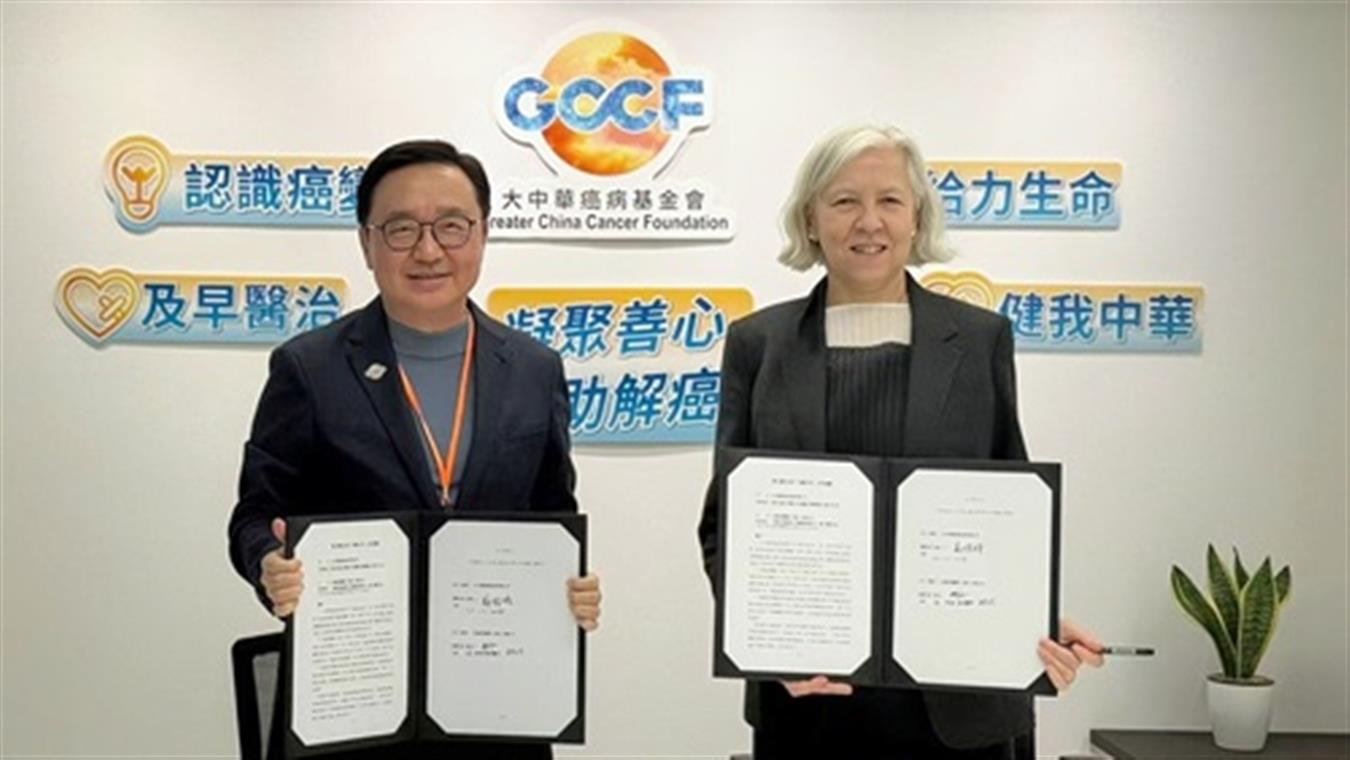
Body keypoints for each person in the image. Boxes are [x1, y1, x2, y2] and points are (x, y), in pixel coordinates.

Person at [697, 124, 1103, 759]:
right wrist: (764, 646)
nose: (869, 222)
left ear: (917, 218)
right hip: (810, 698)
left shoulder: (980, 341)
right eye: (844, 201)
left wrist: (1031, 615)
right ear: (810, 220)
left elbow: (1011, 511)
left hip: (959, 701)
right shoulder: (759, 344)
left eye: (889, 200)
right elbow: (723, 526)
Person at [228, 139, 600, 760]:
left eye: (451, 226)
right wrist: (269, 560)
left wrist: (570, 587)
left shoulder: (534, 369)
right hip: (351, 709)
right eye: (401, 229)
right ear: (366, 243)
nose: (428, 251)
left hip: (496, 706)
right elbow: (254, 515)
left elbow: (553, 515)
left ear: (483, 233)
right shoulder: (310, 368)